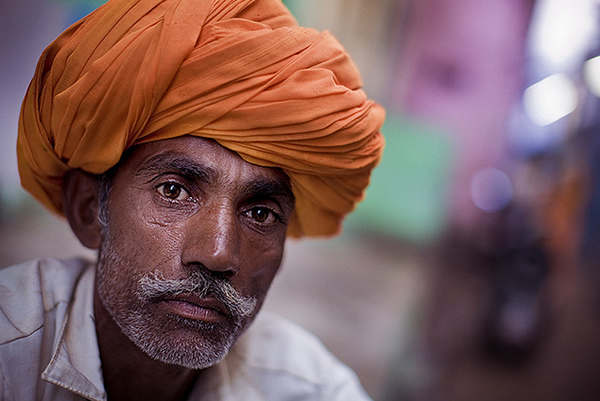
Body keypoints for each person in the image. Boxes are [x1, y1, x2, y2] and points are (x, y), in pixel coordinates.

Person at [0, 0, 385, 400]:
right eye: (174, 191)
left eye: (260, 213)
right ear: (88, 211)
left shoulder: (310, 389)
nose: (219, 255)